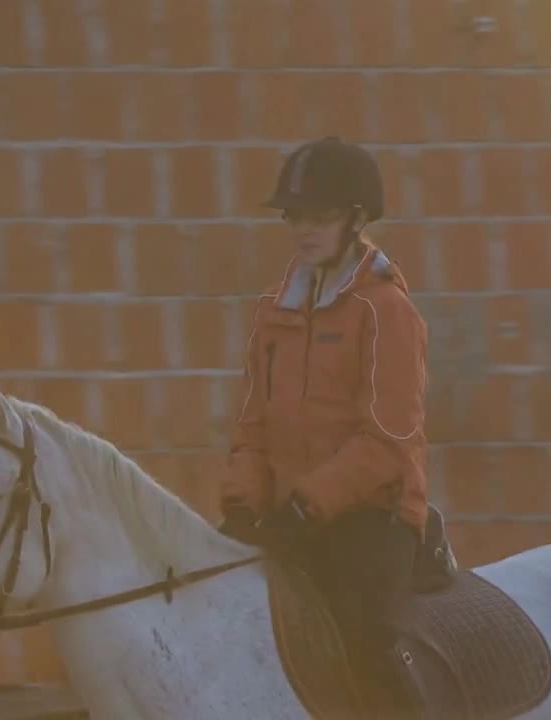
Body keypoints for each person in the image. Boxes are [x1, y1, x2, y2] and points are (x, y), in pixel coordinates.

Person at [218, 136, 431, 718]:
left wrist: (307, 508)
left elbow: (386, 442)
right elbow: (251, 425)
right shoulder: (273, 313)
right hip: (287, 518)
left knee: (362, 650)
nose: (306, 230)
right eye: (297, 217)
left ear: (356, 219)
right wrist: (243, 502)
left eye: (323, 217)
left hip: (370, 519)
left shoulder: (386, 311)